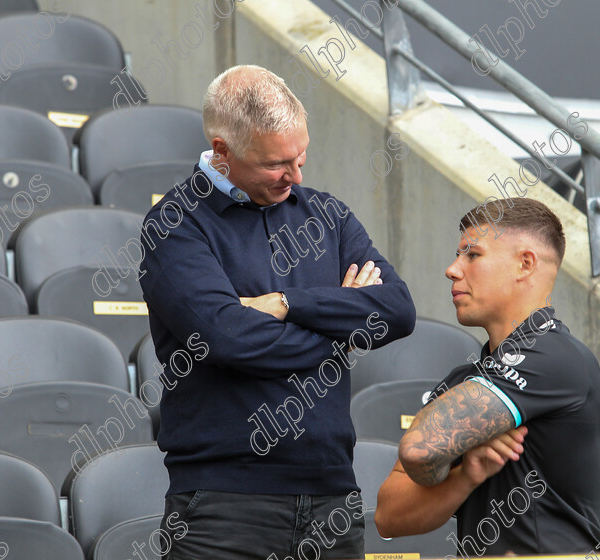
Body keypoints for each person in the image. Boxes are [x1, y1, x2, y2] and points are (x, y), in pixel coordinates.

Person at [138, 64, 416, 560]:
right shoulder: (175, 225)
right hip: (222, 507)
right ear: (221, 151)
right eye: (275, 164)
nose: (296, 175)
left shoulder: (327, 215)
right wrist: (341, 325)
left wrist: (289, 304)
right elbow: (229, 339)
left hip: (333, 498)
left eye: (301, 156)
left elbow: (396, 310)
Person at [376, 197, 600, 557]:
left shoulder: (556, 357)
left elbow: (420, 449)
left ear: (525, 264)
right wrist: (465, 475)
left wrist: (444, 454)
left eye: (472, 255)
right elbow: (388, 516)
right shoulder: (467, 377)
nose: (452, 269)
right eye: (458, 255)